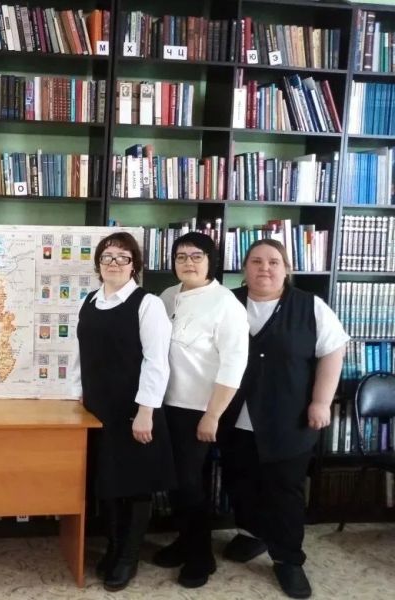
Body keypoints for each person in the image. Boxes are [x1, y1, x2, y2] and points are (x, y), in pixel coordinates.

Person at [218, 239, 348, 599]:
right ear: (244, 268)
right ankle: (252, 534)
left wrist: (321, 402)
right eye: (256, 261)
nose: (265, 268)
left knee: (284, 491)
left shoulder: (310, 306)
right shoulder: (226, 302)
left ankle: (288, 559)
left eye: (274, 262)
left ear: (286, 269)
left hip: (289, 418)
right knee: (240, 481)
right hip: (235, 416)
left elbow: (333, 351)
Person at [70, 231, 176, 592]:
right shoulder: (90, 301)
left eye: (123, 257)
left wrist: (146, 411)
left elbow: (156, 361)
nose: (114, 263)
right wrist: (75, 396)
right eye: (107, 257)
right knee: (109, 483)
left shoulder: (148, 304)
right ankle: (114, 547)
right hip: (98, 410)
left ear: (135, 265)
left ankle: (128, 557)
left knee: (134, 485)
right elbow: (80, 354)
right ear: (98, 264)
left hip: (134, 410)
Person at [152, 232, 249, 588]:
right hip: (165, 404)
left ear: (211, 261)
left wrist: (213, 415)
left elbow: (234, 365)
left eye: (196, 256)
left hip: (199, 410)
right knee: (175, 483)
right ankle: (185, 541)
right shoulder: (167, 296)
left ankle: (200, 557)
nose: (188, 262)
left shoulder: (226, 304)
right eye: (181, 256)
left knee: (190, 484)